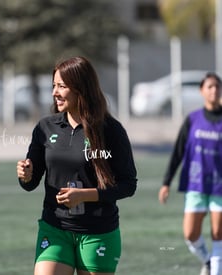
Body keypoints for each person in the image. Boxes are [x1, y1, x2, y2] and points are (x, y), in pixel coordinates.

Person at [16, 56, 137, 275]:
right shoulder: (46, 127)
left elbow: (128, 185)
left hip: (98, 232)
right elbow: (30, 182)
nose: (54, 92)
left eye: (61, 86)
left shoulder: (111, 130)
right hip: (54, 228)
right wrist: (26, 174)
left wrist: (84, 195)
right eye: (54, 86)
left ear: (81, 88)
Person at [158, 72, 222, 275]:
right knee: (190, 234)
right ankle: (208, 261)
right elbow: (178, 151)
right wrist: (166, 182)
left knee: (218, 234)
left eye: (217, 86)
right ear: (202, 91)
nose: (214, 90)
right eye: (210, 86)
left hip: (220, 187)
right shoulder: (192, 119)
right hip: (196, 185)